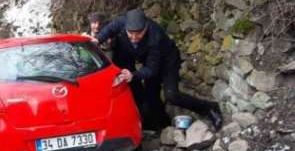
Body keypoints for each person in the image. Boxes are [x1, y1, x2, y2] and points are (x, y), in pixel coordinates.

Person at [94, 8, 223, 131]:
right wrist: (97, 39)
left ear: (145, 27)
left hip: (167, 61)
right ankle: (161, 124)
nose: (133, 37)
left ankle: (209, 108)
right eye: (130, 33)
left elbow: (151, 69)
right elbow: (109, 29)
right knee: (151, 94)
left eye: (138, 34)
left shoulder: (154, 37)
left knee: (172, 95)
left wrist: (133, 75)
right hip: (148, 60)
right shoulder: (123, 22)